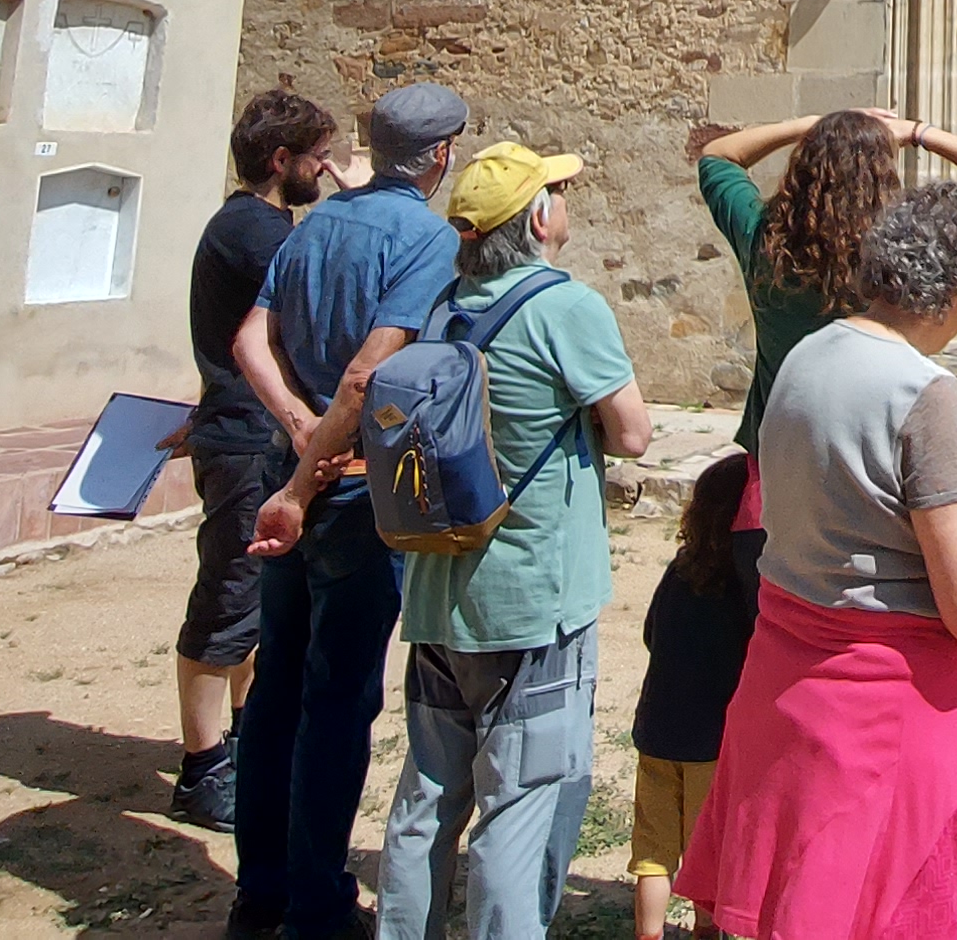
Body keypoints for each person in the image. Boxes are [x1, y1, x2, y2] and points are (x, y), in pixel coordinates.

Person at [677, 187, 957, 940]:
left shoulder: (804, 355)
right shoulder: (926, 393)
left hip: (784, 686)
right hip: (884, 713)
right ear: (955, 291)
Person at [327, 140, 653, 940]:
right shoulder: (566, 309)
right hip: (534, 594)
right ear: (538, 218)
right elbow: (636, 434)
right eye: (559, 193)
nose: (567, 203)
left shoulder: (443, 307)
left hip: (439, 589)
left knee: (427, 796)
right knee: (522, 801)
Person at [225, 83, 470, 940]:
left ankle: (260, 892)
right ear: (441, 158)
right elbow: (370, 374)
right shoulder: (427, 238)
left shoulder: (315, 225)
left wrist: (296, 435)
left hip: (293, 475)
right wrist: (312, 469)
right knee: (336, 698)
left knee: (277, 685)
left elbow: (249, 341)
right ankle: (318, 908)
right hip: (353, 492)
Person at [167, 88, 338, 831]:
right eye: (318, 158)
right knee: (228, 602)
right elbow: (320, 278)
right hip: (244, 443)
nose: (328, 170)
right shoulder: (255, 230)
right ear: (282, 161)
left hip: (248, 435)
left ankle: (240, 741)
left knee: (260, 606)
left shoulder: (257, 226)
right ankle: (202, 770)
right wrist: (364, 202)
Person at [693, 109, 957, 451]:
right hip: (875, 448)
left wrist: (811, 126)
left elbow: (718, 154)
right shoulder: (909, 249)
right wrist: (918, 133)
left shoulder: (761, 238)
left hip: (778, 449)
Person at [628, 455, 757, 940]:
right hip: (713, 743)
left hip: (657, 733)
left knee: (653, 854)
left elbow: (649, 633)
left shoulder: (678, 571)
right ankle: (706, 929)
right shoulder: (743, 587)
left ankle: (649, 933)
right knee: (708, 851)